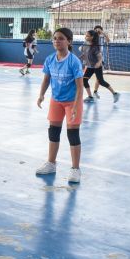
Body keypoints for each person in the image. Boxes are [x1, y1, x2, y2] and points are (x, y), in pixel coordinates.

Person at [36, 27, 84, 184]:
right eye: (55, 38)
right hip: (56, 100)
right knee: (53, 132)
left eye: (61, 38)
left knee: (73, 134)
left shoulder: (74, 61)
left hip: (72, 102)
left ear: (69, 41)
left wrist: (76, 106)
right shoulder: (50, 59)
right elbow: (46, 79)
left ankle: (75, 169)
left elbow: (79, 86)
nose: (57, 40)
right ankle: (51, 163)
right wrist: (42, 94)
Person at [81, 30, 119, 103]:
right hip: (90, 66)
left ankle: (115, 94)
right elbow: (86, 53)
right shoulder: (86, 44)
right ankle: (90, 97)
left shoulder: (95, 46)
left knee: (101, 81)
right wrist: (82, 56)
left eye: (87, 36)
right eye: (85, 35)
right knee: (84, 80)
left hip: (96, 66)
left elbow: (100, 56)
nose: (86, 37)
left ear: (92, 37)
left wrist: (99, 62)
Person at [92, 25, 109, 98]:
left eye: (99, 30)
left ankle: (95, 92)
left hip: (100, 59)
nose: (97, 31)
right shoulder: (92, 37)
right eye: (96, 30)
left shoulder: (102, 37)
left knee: (98, 78)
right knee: (86, 77)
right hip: (92, 59)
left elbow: (108, 40)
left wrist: (103, 33)